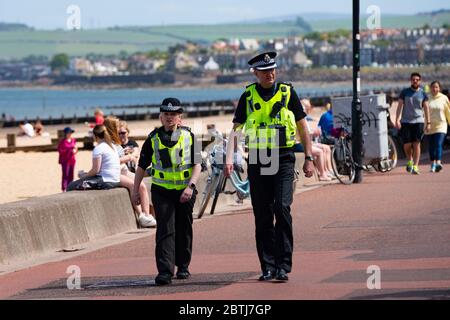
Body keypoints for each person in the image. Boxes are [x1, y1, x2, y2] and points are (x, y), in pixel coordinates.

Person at [224, 52, 314, 282]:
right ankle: (268, 266)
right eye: (264, 71)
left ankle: (283, 266)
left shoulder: (287, 92)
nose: (270, 74)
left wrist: (309, 157)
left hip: (283, 157)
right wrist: (229, 157)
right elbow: (236, 128)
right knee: (262, 214)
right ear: (255, 73)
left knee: (282, 209)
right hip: (258, 159)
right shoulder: (248, 96)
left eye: (272, 69)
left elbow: (303, 126)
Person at [132, 98, 202, 286]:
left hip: (185, 191)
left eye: (173, 115)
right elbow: (141, 166)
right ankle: (165, 271)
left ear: (180, 118)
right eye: (166, 114)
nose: (169, 118)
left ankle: (183, 266)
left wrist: (190, 187)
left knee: (183, 228)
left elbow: (198, 166)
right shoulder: (153, 139)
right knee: (165, 229)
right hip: (162, 191)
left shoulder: (190, 138)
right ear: (160, 117)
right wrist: (135, 189)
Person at [103, 116, 156, 228]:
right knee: (133, 186)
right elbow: (112, 162)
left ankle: (147, 215)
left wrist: (130, 156)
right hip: (114, 172)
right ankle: (140, 215)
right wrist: (129, 157)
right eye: (117, 127)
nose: (119, 130)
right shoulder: (107, 143)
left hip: (123, 170)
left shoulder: (116, 142)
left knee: (141, 185)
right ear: (112, 127)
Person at [395, 72, 431, 175]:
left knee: (416, 144)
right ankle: (409, 160)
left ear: (420, 81)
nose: (415, 81)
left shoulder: (423, 93)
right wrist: (397, 119)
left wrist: (428, 122)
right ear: (410, 80)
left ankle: (415, 166)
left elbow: (426, 109)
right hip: (406, 121)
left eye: (417, 79)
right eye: (413, 79)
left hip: (419, 121)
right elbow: (399, 106)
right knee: (407, 144)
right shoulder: (405, 92)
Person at [67, 125, 120, 191]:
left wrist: (83, 176)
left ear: (95, 136)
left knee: (70, 186)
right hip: (115, 180)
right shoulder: (112, 146)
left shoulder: (99, 148)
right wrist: (87, 174)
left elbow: (95, 170)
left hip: (106, 181)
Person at [425, 81, 450, 172]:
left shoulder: (444, 98)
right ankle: (432, 164)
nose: (435, 89)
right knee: (431, 146)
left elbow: (448, 111)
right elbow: (422, 111)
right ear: (430, 88)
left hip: (441, 125)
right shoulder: (426, 98)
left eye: (436, 87)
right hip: (429, 125)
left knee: (438, 144)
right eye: (433, 87)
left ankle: (438, 163)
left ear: (439, 88)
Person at [58, 127, 78, 192]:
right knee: (65, 174)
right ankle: (64, 188)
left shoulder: (73, 140)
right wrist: (69, 150)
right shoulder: (62, 142)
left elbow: (76, 148)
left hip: (72, 159)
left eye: (70, 132)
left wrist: (75, 150)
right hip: (65, 160)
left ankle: (70, 187)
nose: (69, 134)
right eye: (68, 133)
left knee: (71, 174)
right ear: (65, 133)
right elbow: (60, 151)